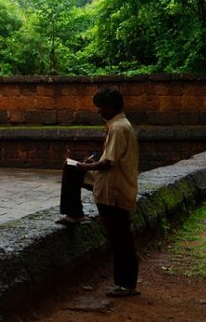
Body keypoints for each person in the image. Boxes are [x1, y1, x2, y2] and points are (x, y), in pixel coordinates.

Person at [57, 86, 140, 298]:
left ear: (111, 106)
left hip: (113, 188)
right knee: (71, 169)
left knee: (119, 237)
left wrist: (87, 167)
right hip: (111, 184)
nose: (99, 111)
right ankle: (74, 212)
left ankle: (126, 284)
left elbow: (108, 163)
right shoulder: (119, 125)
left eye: (101, 107)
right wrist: (90, 163)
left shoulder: (118, 128)